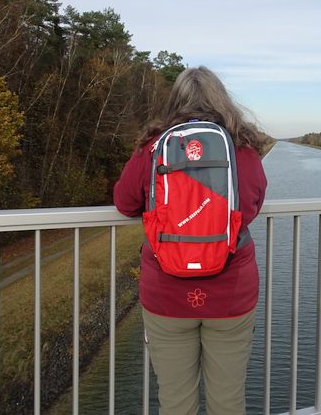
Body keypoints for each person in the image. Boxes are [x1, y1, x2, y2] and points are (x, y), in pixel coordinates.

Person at [113, 66, 268, 415]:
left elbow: (124, 203)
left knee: (175, 402)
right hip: (230, 292)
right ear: (222, 100)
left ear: (175, 102)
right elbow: (251, 206)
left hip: (166, 294)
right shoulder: (241, 149)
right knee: (228, 402)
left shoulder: (154, 146)